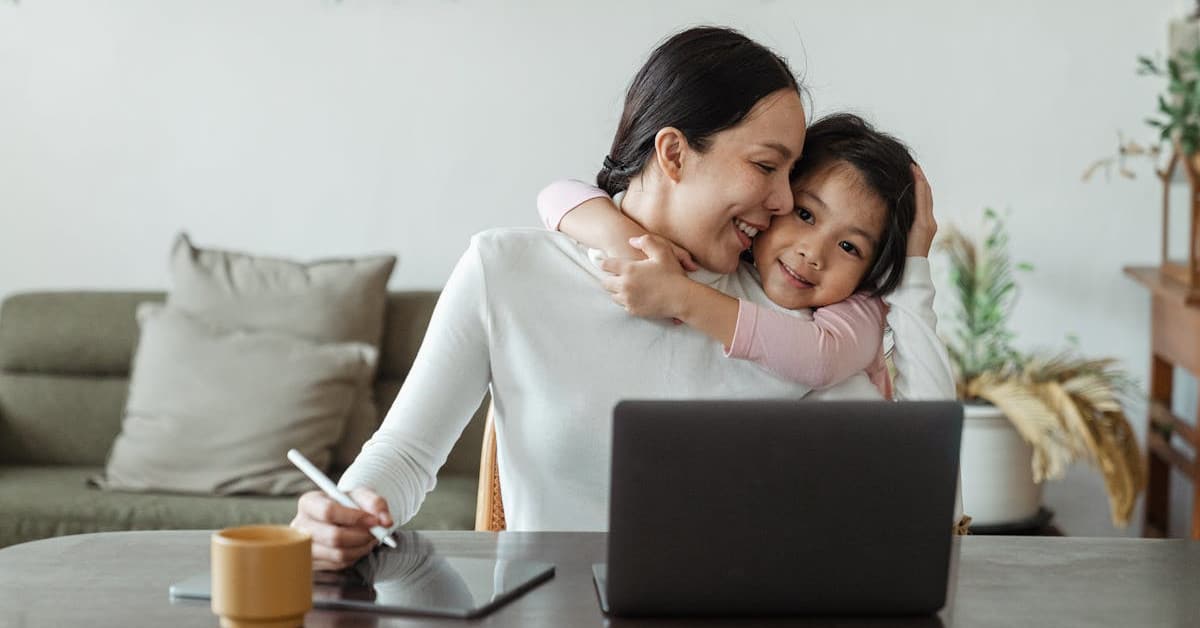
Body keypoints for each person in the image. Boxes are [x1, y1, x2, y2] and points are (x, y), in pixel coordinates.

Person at [291, 26, 956, 571]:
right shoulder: (507, 271)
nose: (784, 202)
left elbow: (922, 487)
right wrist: (345, 507)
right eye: (765, 166)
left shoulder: (793, 313)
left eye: (791, 174)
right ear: (673, 152)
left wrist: (916, 267)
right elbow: (405, 456)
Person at [536, 113, 927, 397]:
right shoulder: (733, 255)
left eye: (849, 247)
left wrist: (681, 297)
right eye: (804, 214)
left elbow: (821, 359)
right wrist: (625, 240)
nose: (813, 252)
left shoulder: (860, 308)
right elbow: (557, 194)